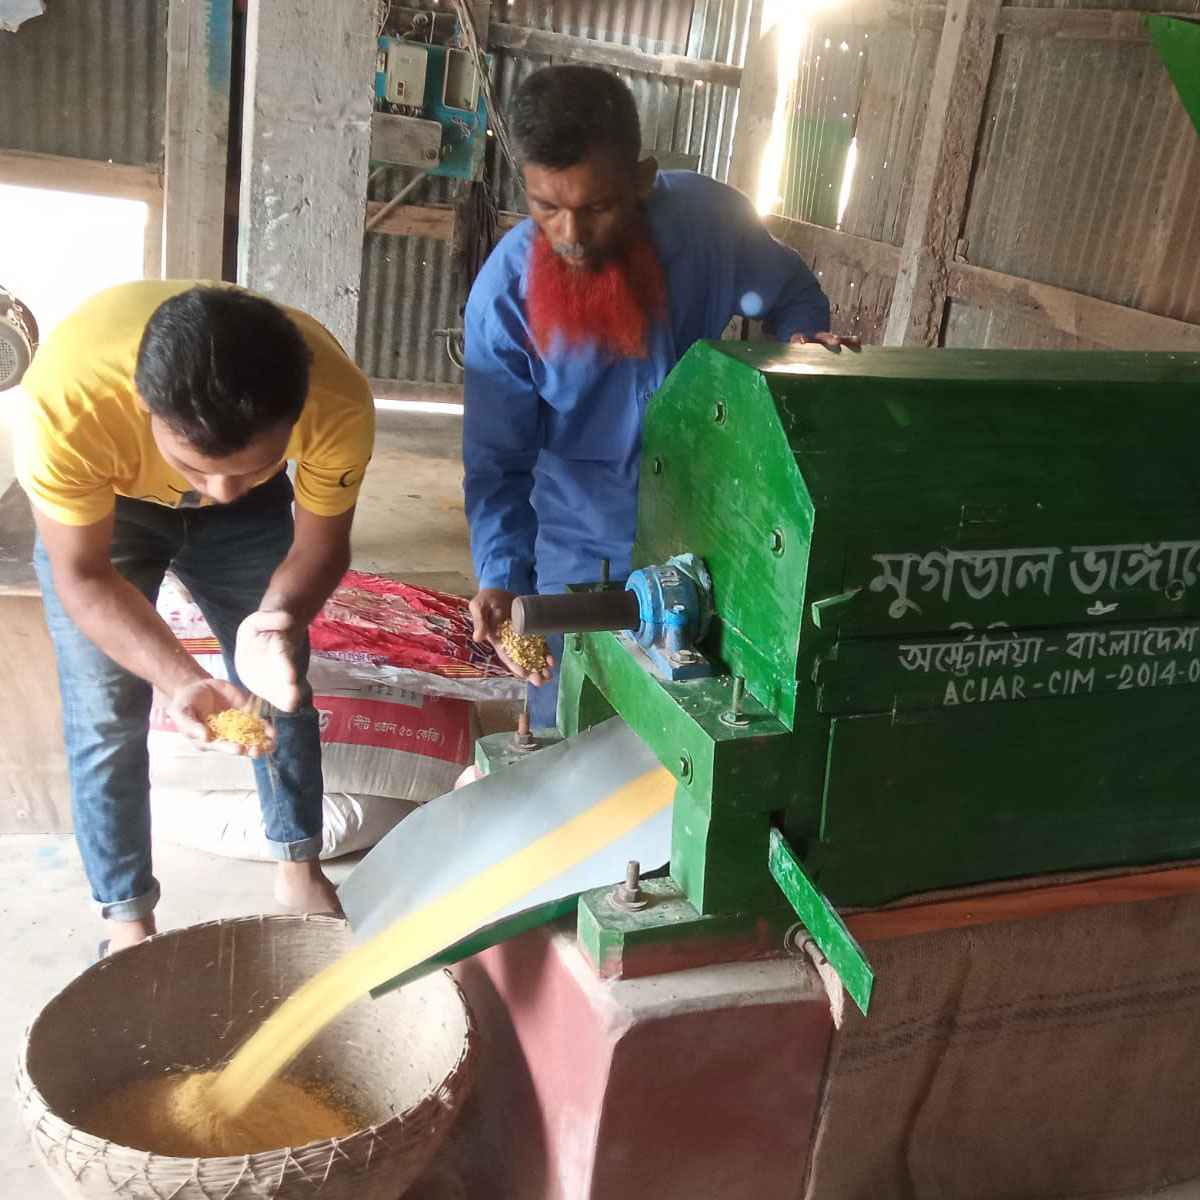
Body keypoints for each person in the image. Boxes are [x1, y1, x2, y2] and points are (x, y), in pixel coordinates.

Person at [463, 65, 856, 725]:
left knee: (706, 712)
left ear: (642, 180)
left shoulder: (711, 224)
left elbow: (789, 292)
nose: (571, 236)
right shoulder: (505, 304)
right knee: (573, 729)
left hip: (709, 526)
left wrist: (804, 349)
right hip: (580, 547)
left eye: (597, 207)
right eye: (546, 207)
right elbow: (497, 469)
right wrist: (502, 576)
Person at [13, 281, 375, 953]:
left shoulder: (337, 400)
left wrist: (277, 617)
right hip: (114, 509)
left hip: (252, 526)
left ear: (295, 417)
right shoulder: (66, 407)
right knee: (104, 713)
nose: (215, 493)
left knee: (279, 681)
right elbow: (84, 575)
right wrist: (181, 680)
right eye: (194, 468)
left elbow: (321, 544)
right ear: (142, 406)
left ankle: (297, 862)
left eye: (253, 466)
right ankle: (128, 920)